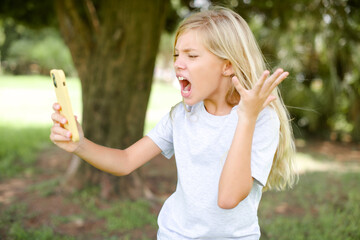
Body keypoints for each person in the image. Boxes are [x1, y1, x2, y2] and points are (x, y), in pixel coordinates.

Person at [50, 6, 297, 240]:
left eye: (191, 55)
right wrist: (79, 145)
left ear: (228, 65)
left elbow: (228, 198)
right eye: (177, 54)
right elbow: (126, 161)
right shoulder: (182, 115)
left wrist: (247, 117)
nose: (178, 63)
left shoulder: (261, 118)